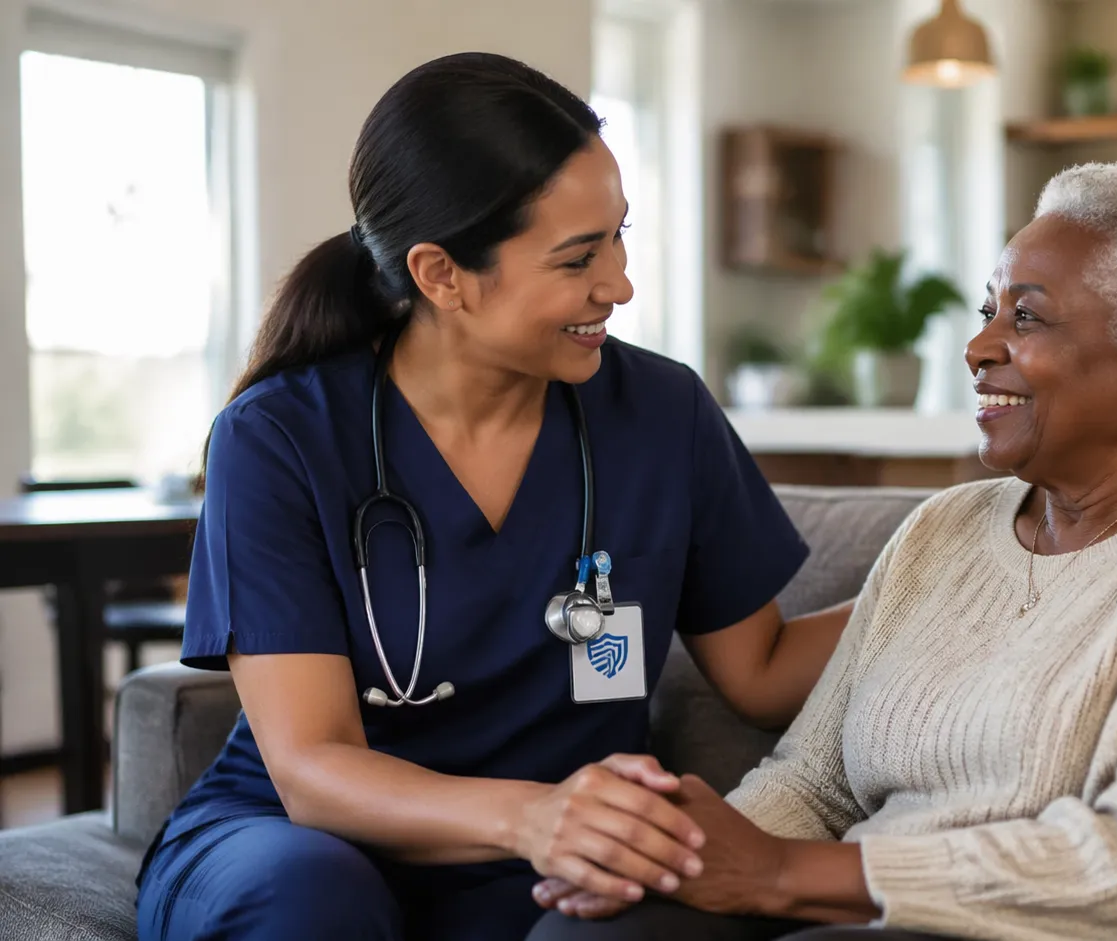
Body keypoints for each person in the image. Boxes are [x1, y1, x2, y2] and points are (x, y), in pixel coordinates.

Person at [529, 163, 1117, 941]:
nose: (979, 348)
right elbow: (814, 784)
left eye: (1026, 316)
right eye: (988, 312)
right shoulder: (945, 530)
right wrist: (678, 854)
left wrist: (780, 874)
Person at [134, 52, 855, 941]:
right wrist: (532, 817)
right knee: (310, 898)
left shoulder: (661, 413)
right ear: (441, 276)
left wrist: (948, 567)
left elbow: (764, 668)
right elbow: (312, 768)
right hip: (299, 839)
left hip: (544, 856)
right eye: (577, 257)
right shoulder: (280, 436)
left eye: (620, 236)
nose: (619, 283)